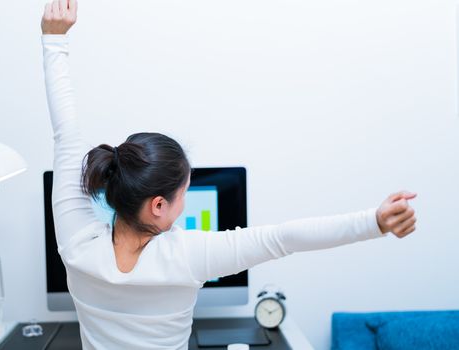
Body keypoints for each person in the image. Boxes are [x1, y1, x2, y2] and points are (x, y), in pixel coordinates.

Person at [40, 1, 417, 349]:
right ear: (158, 205)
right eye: (183, 193)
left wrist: (53, 39)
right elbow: (285, 238)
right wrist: (374, 222)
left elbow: (65, 137)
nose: (184, 201)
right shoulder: (189, 256)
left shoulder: (77, 243)